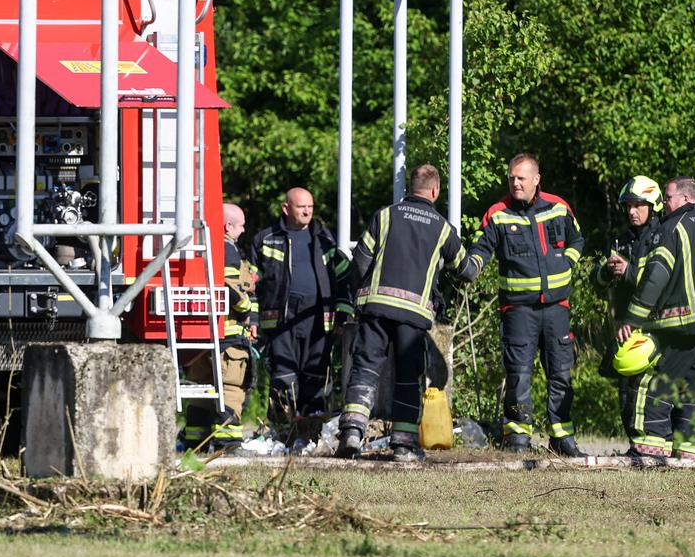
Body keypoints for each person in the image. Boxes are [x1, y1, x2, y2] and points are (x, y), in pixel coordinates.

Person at [337, 165, 477, 462]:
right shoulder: (442, 228)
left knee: (365, 369)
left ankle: (351, 432)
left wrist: (357, 298)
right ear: (435, 191)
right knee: (408, 379)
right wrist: (479, 256)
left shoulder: (385, 216)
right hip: (413, 317)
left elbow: (360, 262)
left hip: (375, 309)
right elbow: (466, 271)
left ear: (409, 188)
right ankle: (403, 446)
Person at [465, 154, 586, 456]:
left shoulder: (558, 207)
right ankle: (518, 436)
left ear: (536, 179)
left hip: (557, 308)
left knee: (560, 372)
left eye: (521, 178)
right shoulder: (498, 213)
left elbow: (577, 241)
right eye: (511, 178)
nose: (515, 183)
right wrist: (472, 266)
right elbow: (482, 247)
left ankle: (562, 436)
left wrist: (565, 263)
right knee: (519, 373)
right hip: (518, 311)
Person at [618, 177, 695, 459]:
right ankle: (689, 454)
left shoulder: (673, 228)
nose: (665, 204)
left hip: (680, 326)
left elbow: (656, 276)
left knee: (655, 383)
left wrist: (633, 318)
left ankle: (649, 449)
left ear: (684, 199)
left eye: (668, 198)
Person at [247, 187, 352, 449]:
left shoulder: (324, 239)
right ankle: (284, 432)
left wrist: (343, 313)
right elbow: (249, 284)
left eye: (310, 207)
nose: (306, 211)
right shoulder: (266, 239)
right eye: (300, 207)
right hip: (281, 321)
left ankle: (313, 435)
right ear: (286, 209)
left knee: (316, 375)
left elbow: (344, 279)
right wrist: (252, 318)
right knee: (284, 376)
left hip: (318, 318)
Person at [592, 177, 664, 432]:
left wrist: (630, 271)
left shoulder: (664, 237)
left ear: (653, 205)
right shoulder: (619, 241)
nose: (632, 211)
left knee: (652, 392)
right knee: (625, 393)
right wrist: (607, 271)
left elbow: (662, 281)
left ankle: (656, 443)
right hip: (625, 327)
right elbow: (597, 284)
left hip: (657, 326)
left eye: (639, 205)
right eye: (629, 206)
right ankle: (636, 443)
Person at [183, 203, 255, 449]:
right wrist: (245, 307)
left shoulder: (202, 246)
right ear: (228, 226)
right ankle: (228, 443)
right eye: (241, 225)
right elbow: (226, 283)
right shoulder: (228, 249)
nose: (244, 230)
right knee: (231, 388)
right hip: (228, 335)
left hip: (199, 334)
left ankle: (196, 441)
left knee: (201, 391)